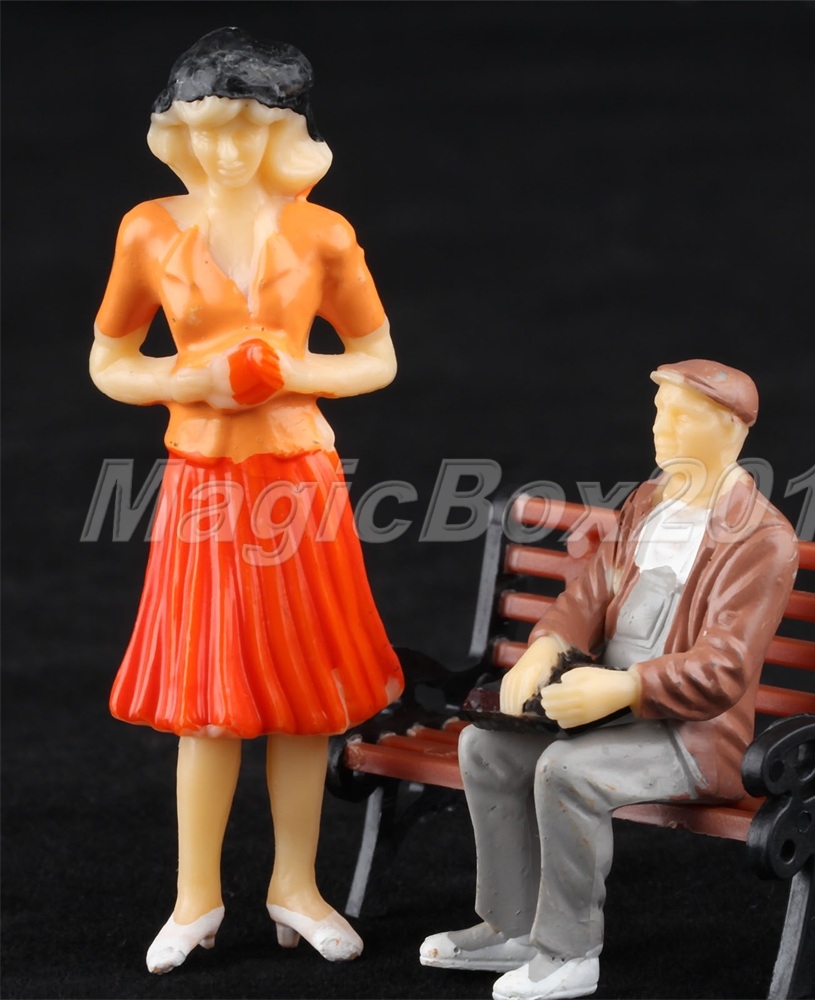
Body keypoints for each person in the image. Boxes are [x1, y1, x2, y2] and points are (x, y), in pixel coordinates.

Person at [89, 28, 404, 974]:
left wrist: (294, 371)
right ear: (178, 130)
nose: (226, 148)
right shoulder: (149, 230)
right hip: (202, 481)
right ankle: (195, 900)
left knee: (306, 700)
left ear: (283, 131)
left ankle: (294, 887)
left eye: (247, 126)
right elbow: (109, 357)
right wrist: (187, 379)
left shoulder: (323, 234)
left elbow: (377, 356)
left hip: (298, 480)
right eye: (207, 126)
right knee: (207, 699)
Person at [420, 360, 799, 1000]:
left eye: (681, 416)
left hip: (692, 735)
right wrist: (547, 648)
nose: (660, 427)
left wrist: (629, 687)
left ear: (731, 429)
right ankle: (513, 927)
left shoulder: (761, 538)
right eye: (659, 411)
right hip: (608, 710)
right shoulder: (647, 503)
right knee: (485, 746)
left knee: (568, 770)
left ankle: (570, 953)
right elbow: (590, 594)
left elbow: (725, 666)